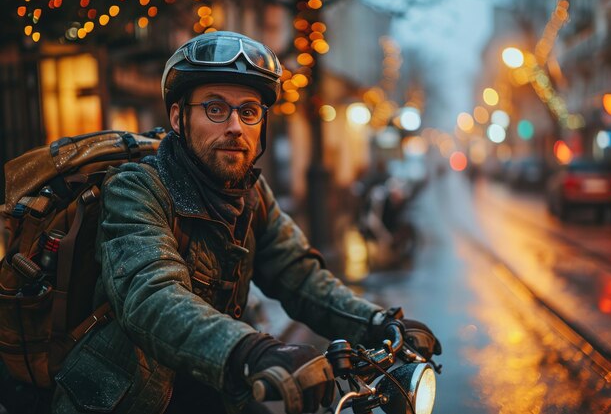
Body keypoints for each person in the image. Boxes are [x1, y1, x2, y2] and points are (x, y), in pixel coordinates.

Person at [51, 31, 441, 414]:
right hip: (133, 397)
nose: (235, 126)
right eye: (216, 109)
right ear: (177, 117)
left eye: (249, 111)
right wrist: (252, 351)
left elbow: (299, 275)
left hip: (218, 391)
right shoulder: (136, 188)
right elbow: (151, 296)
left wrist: (374, 321)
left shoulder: (251, 193)